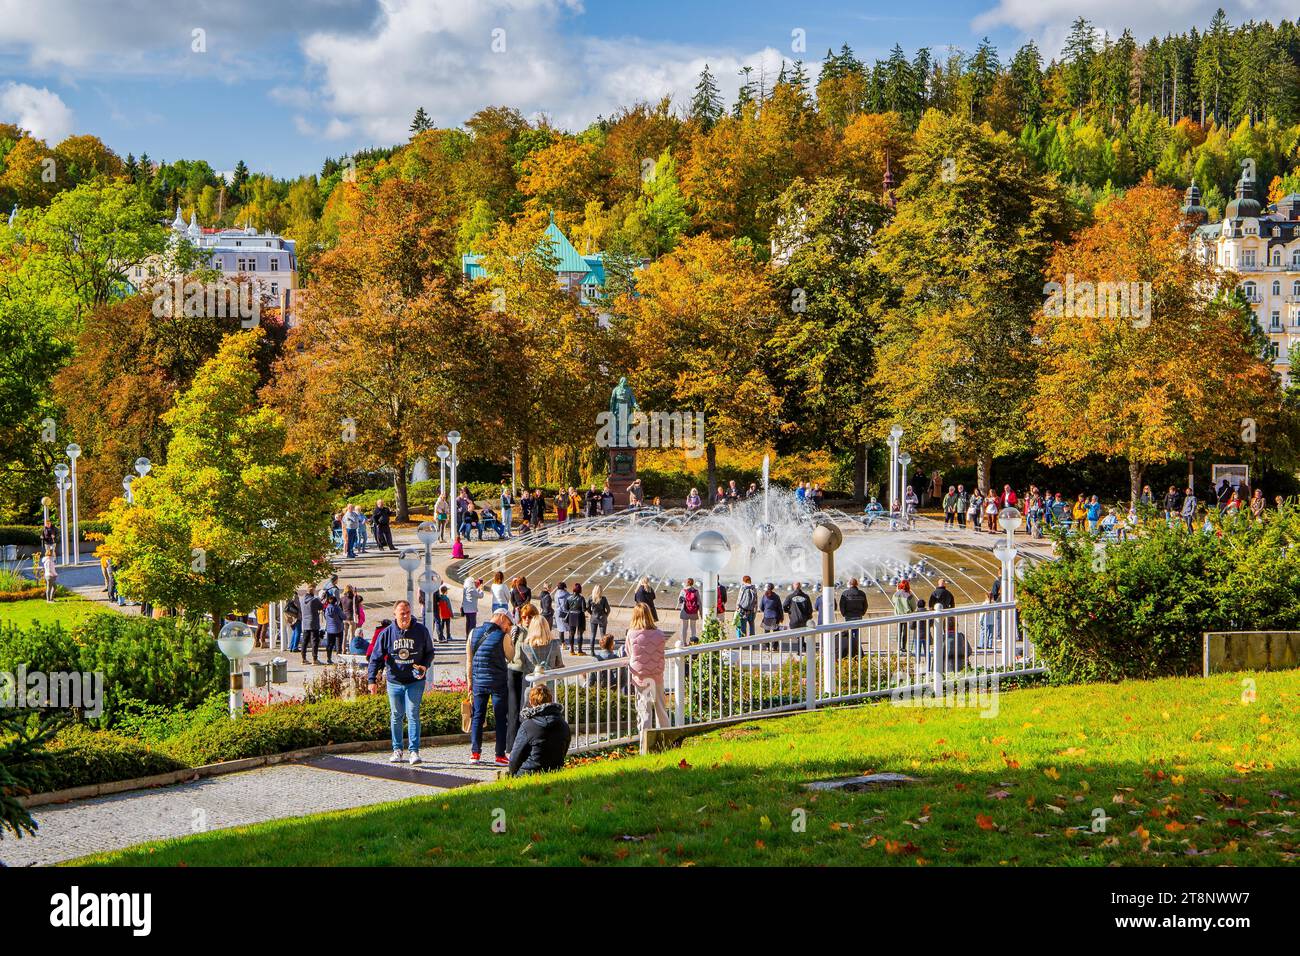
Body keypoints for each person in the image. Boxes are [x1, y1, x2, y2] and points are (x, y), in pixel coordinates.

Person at [367, 600, 434, 764]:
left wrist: (424, 666)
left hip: (415, 681)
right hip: (394, 681)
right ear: (395, 614)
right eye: (402, 613)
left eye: (408, 613)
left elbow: (430, 652)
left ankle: (414, 751)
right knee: (396, 715)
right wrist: (372, 679)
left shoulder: (421, 631)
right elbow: (375, 657)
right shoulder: (387, 633)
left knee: (412, 714)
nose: (405, 616)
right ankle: (397, 750)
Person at [467, 611, 515, 765]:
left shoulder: (473, 633)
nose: (508, 627)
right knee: (500, 718)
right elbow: (511, 656)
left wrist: (469, 682)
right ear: (501, 618)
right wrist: (510, 639)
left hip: (478, 682)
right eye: (508, 623)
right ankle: (500, 755)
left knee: (477, 717)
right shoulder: (503, 636)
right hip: (498, 683)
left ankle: (475, 753)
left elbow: (469, 660)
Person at [508, 683, 571, 776]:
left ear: (531, 702)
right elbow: (564, 750)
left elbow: (515, 757)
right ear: (550, 699)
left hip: (529, 772)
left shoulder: (528, 726)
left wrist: (512, 774)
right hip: (555, 770)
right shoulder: (563, 724)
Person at [626, 602, 669, 731]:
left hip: (641, 678)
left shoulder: (631, 634)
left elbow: (629, 653)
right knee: (661, 709)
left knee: (644, 711)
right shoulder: (660, 634)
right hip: (657, 676)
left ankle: (645, 744)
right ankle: (666, 739)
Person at [837, 578, 868, 656]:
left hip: (849, 616)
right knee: (856, 633)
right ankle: (856, 650)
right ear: (857, 584)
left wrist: (844, 614)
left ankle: (851, 650)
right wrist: (862, 613)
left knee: (849, 633)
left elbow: (841, 606)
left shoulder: (845, 593)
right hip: (858, 616)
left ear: (849, 584)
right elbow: (865, 605)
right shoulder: (862, 593)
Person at [299, 586, 323, 665]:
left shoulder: (302, 599)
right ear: (312, 591)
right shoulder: (314, 600)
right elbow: (321, 607)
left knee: (305, 641)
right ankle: (314, 659)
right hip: (314, 622)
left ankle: (303, 658)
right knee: (314, 641)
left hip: (305, 622)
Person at [890, 580, 917, 651]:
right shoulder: (909, 595)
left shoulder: (896, 594)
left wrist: (897, 591)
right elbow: (914, 606)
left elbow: (893, 601)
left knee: (899, 630)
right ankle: (904, 647)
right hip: (906, 615)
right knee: (905, 631)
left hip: (898, 615)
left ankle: (898, 647)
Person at [565, 582, 588, 654]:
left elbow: (566, 608)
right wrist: (588, 607)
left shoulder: (568, 598)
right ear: (580, 590)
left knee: (571, 633)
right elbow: (584, 610)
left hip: (571, 616)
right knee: (579, 633)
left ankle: (571, 650)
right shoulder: (581, 598)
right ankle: (579, 651)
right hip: (580, 616)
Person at [677, 578, 702, 644]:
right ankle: (693, 642)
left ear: (686, 583)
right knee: (693, 628)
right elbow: (699, 602)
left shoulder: (683, 590)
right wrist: (701, 613)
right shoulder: (696, 591)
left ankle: (684, 642)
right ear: (693, 583)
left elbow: (679, 601)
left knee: (684, 627)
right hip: (694, 611)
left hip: (685, 611)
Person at [587, 584, 610, 651]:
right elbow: (608, 609)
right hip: (602, 618)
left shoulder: (591, 598)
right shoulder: (603, 599)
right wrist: (606, 615)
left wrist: (592, 613)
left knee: (592, 635)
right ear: (600, 591)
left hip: (594, 618)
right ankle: (604, 649)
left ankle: (592, 651)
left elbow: (588, 609)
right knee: (603, 635)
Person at [322, 594, 344, 663]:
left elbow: (325, 617)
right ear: (335, 602)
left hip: (329, 629)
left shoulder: (327, 609)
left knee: (330, 644)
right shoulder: (337, 608)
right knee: (338, 645)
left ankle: (329, 658)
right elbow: (343, 617)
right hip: (338, 629)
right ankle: (339, 659)